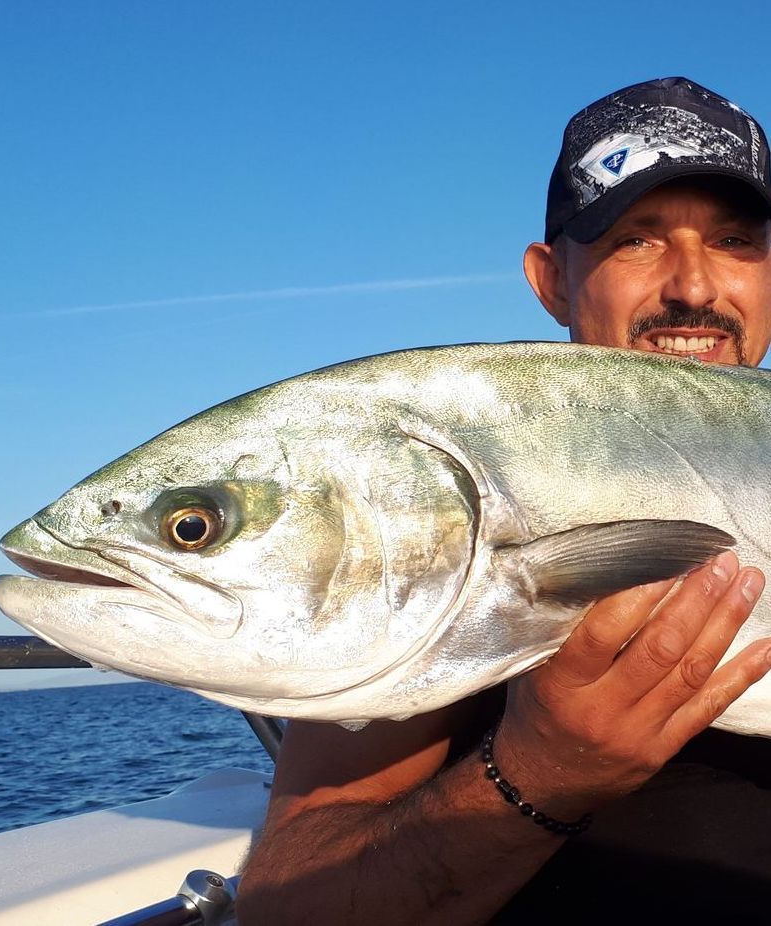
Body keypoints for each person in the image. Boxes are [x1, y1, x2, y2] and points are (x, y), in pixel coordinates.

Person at [237, 77, 771, 924]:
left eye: (734, 240)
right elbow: (291, 907)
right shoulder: (461, 487)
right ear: (550, 280)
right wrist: (539, 773)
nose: (694, 289)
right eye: (634, 239)